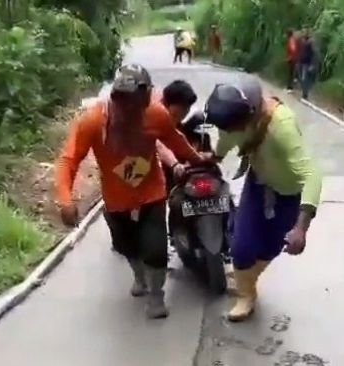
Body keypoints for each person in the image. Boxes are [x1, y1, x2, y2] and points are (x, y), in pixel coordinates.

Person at [55, 64, 204, 319]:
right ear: (114, 98)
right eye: (125, 104)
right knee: (125, 245)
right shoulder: (92, 122)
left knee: (156, 247)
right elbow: (68, 159)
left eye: (138, 105)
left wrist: (197, 160)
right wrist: (65, 199)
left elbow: (175, 141)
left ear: (146, 101)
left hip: (151, 191)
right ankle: (138, 275)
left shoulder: (156, 115)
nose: (132, 111)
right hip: (116, 199)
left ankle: (157, 296)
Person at [203, 76, 322, 322]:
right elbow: (226, 139)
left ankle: (248, 277)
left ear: (252, 115)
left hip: (288, 193)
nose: (229, 131)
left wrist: (301, 228)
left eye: (232, 126)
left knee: (271, 246)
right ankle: (246, 294)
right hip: (258, 183)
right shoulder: (233, 121)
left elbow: (311, 175)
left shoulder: (281, 126)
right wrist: (213, 158)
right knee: (241, 246)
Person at [297, 29, 317, 99]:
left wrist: (312, 64)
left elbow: (313, 54)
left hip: (306, 63)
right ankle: (304, 91)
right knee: (301, 78)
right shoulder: (302, 41)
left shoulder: (310, 43)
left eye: (305, 33)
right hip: (300, 62)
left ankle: (305, 94)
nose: (304, 34)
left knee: (304, 78)